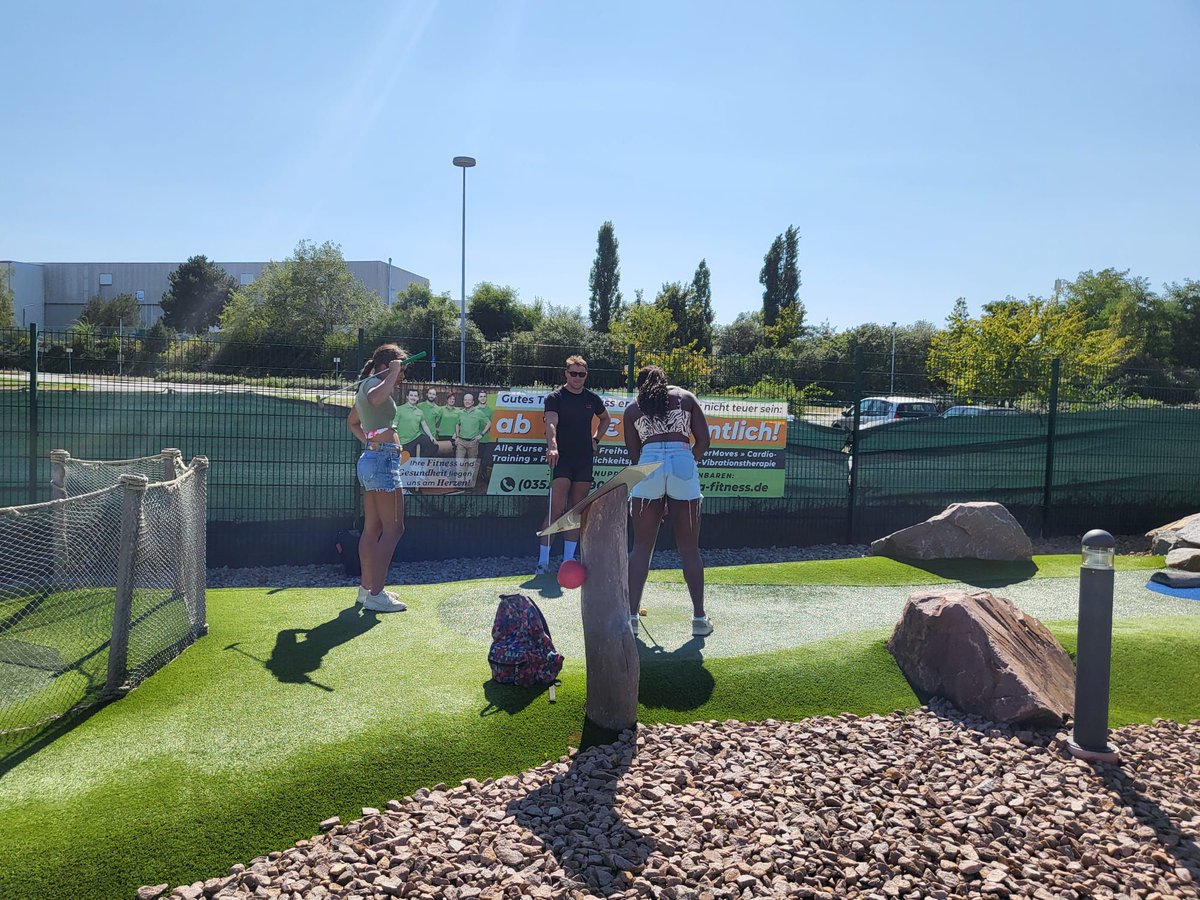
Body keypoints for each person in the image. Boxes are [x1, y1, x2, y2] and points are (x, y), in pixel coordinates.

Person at [623, 365, 712, 636]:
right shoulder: (686, 398)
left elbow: (634, 456)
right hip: (683, 463)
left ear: (640, 385)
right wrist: (686, 461)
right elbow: (704, 441)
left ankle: (631, 618)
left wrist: (655, 486)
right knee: (689, 550)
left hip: (648, 465)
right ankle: (699, 619)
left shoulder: (633, 409)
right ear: (665, 380)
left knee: (640, 548)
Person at [345, 344, 410, 613]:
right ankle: (376, 594)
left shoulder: (368, 384)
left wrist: (371, 443)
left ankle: (366, 590)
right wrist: (392, 373)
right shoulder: (373, 384)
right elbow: (374, 399)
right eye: (401, 370)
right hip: (382, 461)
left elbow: (353, 422)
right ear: (386, 366)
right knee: (394, 528)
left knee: (373, 528)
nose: (403, 376)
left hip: (374, 458)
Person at [538, 355, 611, 576]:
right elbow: (551, 422)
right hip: (562, 458)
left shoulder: (592, 398)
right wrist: (552, 446)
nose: (577, 378)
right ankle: (542, 562)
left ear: (586, 376)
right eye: (573, 373)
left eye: (581, 374)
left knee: (576, 510)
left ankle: (568, 562)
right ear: (566, 374)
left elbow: (605, 419)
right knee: (556, 508)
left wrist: (596, 439)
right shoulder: (555, 398)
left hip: (584, 459)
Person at [395, 388, 438, 460]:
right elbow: (394, 426)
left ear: (418, 398)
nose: (413, 397)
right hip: (403, 440)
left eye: (415, 396)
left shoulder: (419, 411)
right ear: (407, 397)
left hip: (416, 436)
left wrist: (431, 436)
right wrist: (395, 441)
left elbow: (424, 425)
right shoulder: (399, 409)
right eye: (411, 395)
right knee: (407, 462)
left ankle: (421, 462)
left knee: (434, 446)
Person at [454, 391, 493, 463]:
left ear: (472, 402)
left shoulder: (478, 412)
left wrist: (481, 434)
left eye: (469, 400)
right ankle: (460, 474)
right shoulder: (460, 413)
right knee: (459, 463)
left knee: (472, 464)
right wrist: (457, 436)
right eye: (465, 400)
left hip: (473, 442)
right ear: (463, 401)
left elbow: (489, 423)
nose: (467, 402)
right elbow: (457, 424)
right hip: (461, 442)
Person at [436, 390, 462, 457]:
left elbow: (459, 424)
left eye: (453, 399)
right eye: (450, 399)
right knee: (442, 456)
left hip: (453, 436)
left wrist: (456, 434)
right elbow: (435, 421)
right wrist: (436, 428)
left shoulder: (458, 411)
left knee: (452, 456)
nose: (452, 400)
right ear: (447, 400)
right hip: (442, 435)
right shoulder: (441, 409)